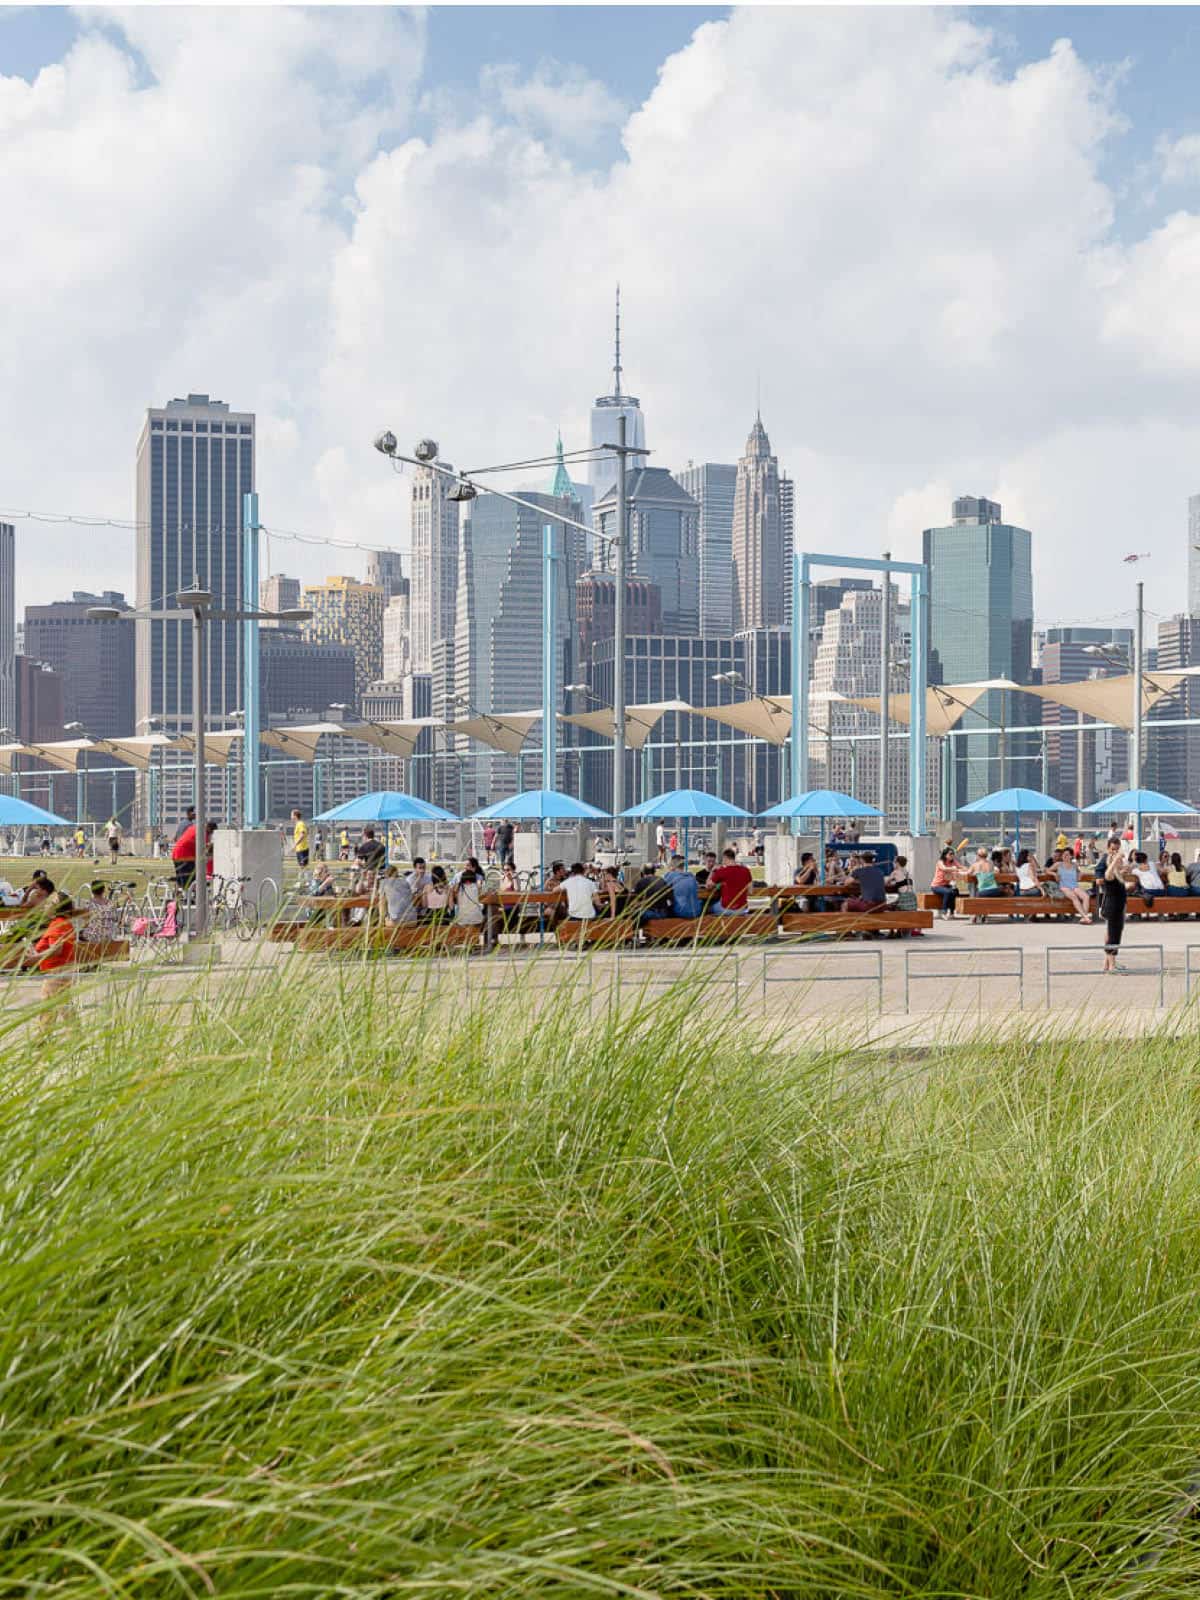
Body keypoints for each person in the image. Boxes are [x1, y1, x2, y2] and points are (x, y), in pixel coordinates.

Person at [1100, 840, 1131, 974]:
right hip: (1112, 908)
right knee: (1114, 936)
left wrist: (1122, 862)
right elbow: (1108, 872)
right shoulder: (1110, 875)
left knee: (1112, 934)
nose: (1120, 862)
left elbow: (1125, 867)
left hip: (1118, 907)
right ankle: (1112, 966)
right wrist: (1115, 859)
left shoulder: (1118, 875)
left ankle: (1106, 964)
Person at [710, 846, 752, 915]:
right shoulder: (746, 871)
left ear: (725, 858)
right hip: (742, 909)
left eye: (723, 859)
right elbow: (750, 892)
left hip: (726, 908)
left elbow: (708, 885)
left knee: (710, 907)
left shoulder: (721, 871)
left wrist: (712, 871)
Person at [1053, 851, 1092, 922]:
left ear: (1071, 856)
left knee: (1086, 897)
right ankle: (1085, 917)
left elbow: (1079, 874)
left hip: (1074, 886)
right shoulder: (1058, 864)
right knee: (1074, 897)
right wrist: (1054, 874)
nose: (1064, 856)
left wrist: (1080, 874)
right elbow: (1046, 870)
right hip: (1064, 886)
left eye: (1067, 855)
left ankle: (1084, 918)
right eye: (1063, 854)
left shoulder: (1074, 865)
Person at [662, 854, 701, 918]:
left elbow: (661, 889)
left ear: (672, 865)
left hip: (681, 912)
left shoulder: (670, 875)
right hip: (696, 911)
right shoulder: (691, 876)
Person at [354, 826, 387, 891]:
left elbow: (357, 862)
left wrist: (363, 865)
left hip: (370, 872)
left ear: (365, 836)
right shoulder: (381, 845)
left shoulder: (364, 846)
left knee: (356, 870)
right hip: (382, 870)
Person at [930, 849, 959, 919]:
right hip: (936, 886)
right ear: (945, 855)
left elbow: (960, 867)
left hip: (946, 885)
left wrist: (968, 869)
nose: (952, 855)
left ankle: (952, 912)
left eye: (953, 854)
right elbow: (944, 868)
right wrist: (953, 868)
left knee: (955, 891)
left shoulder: (953, 862)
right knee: (948, 892)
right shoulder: (940, 862)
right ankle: (944, 912)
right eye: (950, 854)